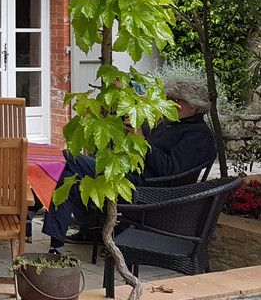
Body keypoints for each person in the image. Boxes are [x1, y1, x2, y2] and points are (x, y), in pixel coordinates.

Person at [42, 79, 217, 253]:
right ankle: (59, 245)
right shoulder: (172, 124)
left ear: (193, 107)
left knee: (68, 157)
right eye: (169, 98)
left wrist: (142, 141)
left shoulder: (199, 136)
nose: (170, 103)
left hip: (149, 187)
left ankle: (76, 223)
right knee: (68, 179)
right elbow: (149, 142)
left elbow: (169, 169)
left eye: (176, 100)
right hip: (131, 172)